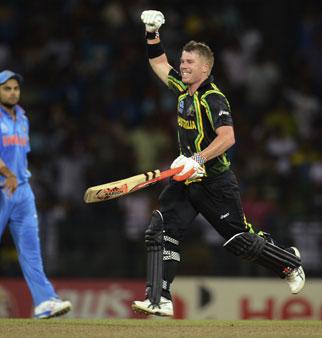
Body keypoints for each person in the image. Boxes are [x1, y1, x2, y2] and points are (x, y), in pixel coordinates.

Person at [131, 11, 306, 317]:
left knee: (240, 241)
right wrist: (151, 31)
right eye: (182, 61)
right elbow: (159, 62)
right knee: (160, 229)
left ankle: (288, 262)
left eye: (189, 63)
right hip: (186, 180)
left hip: (214, 182)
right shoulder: (182, 90)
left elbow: (228, 138)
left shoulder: (214, 98)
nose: (182, 66)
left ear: (205, 68)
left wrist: (197, 159)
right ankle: (160, 298)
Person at [0, 70, 71, 319]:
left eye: (15, 88)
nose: (13, 92)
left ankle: (45, 301)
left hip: (23, 191)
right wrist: (7, 174)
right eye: (7, 88)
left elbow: (21, 154)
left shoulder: (23, 118)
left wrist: (18, 178)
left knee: (31, 248)